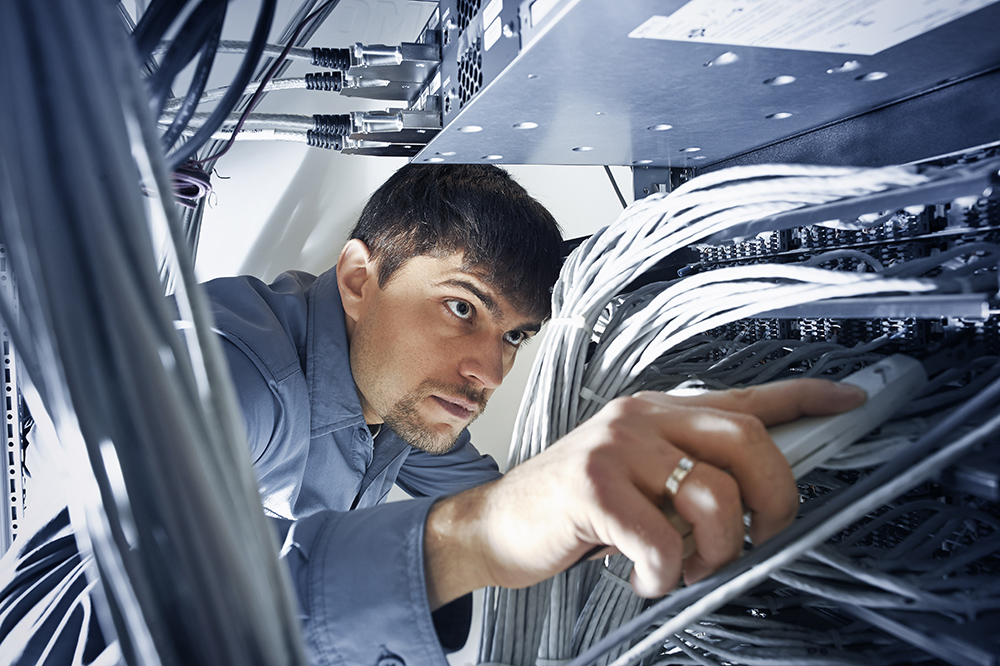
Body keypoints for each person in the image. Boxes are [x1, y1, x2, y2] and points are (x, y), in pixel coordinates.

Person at [0, 164, 868, 666]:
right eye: (463, 308)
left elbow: (503, 491)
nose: (489, 368)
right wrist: (476, 537)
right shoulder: (238, 379)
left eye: (515, 336)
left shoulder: (400, 397)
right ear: (355, 279)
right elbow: (71, 622)